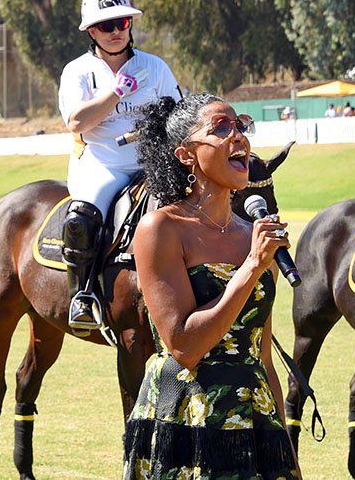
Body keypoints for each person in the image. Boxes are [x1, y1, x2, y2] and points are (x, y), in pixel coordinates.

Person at [123, 93, 299, 479]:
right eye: (221, 128)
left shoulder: (254, 234)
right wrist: (252, 265)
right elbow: (183, 346)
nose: (238, 136)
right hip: (189, 418)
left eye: (240, 126)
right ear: (187, 155)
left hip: (254, 417)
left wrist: (287, 453)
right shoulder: (161, 229)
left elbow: (263, 356)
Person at [57, 0, 181, 330]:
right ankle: (82, 296)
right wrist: (115, 92)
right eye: (104, 26)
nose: (114, 32)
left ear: (130, 24)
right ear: (90, 31)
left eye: (121, 23)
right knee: (81, 219)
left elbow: (178, 115)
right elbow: (77, 122)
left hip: (152, 161)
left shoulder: (155, 68)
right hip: (102, 162)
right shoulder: (77, 72)